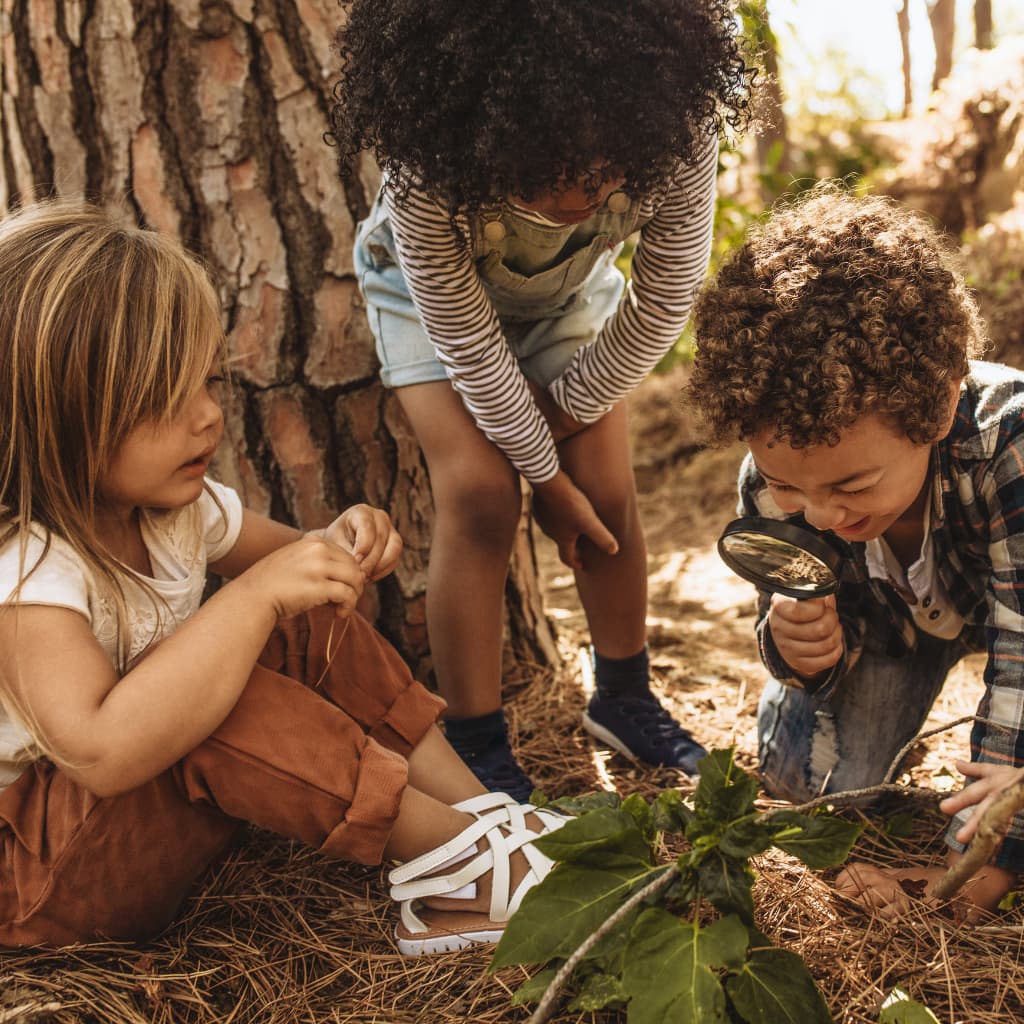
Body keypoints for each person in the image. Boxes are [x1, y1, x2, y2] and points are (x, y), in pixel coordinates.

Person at [0, 200, 567, 956]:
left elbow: (297, 562)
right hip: (45, 883)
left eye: (206, 383)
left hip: (126, 828)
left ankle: (483, 817)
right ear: (57, 421)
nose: (207, 418)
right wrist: (256, 596)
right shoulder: (29, 574)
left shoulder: (174, 509)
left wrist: (341, 543)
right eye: (165, 401)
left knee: (300, 617)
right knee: (220, 691)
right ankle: (460, 870)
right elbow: (102, 753)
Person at [329, 0, 751, 799]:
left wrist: (561, 422)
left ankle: (625, 698)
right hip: (428, 305)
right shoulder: (429, 169)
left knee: (608, 490)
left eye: (603, 170)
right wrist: (541, 481)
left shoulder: (679, 128)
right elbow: (471, 347)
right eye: (547, 169)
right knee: (483, 494)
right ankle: (478, 740)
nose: (579, 194)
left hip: (567, 300)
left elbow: (661, 303)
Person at [684, 185, 1024, 920]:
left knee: (1010, 788)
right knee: (809, 789)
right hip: (890, 637)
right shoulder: (777, 487)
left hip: (1010, 606)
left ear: (935, 408)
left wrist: (993, 844)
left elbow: (1021, 647)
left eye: (853, 484)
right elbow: (791, 628)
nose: (825, 517)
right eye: (789, 486)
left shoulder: (1009, 450)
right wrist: (796, 651)